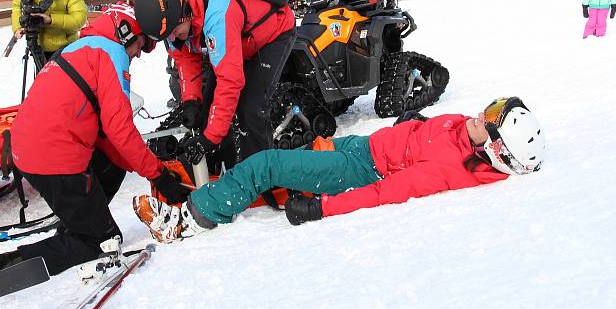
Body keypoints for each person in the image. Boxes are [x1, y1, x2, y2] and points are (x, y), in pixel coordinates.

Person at [0, 4, 185, 280]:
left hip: (31, 148)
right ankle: (2, 267)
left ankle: (82, 221)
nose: (139, 53)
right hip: (54, 156)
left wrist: (141, 164)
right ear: (128, 34)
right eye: (142, 45)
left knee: (114, 166)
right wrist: (158, 174)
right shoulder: (112, 53)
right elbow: (120, 129)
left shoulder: (79, 48)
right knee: (102, 243)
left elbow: (108, 137)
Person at [135, 97, 546, 242]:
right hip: (362, 146)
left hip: (359, 168)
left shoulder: (449, 170)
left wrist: (323, 209)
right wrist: (410, 125)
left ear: (495, 149)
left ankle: (189, 219)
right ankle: (213, 196)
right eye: (491, 105)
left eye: (489, 118)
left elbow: (389, 192)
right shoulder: (461, 131)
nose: (480, 113)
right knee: (286, 164)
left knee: (268, 163)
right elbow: (425, 137)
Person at [133, 0, 296, 170]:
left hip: (271, 35)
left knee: (250, 109)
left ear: (184, 13)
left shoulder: (218, 13)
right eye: (166, 36)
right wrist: (192, 101)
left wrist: (209, 138)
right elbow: (185, 58)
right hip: (238, 43)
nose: (172, 37)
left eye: (174, 31)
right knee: (207, 106)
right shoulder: (171, 25)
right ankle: (221, 168)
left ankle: (261, 177)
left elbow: (230, 82)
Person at [11, 0, 88, 65]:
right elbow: (16, 5)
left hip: (65, 48)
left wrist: (51, 20)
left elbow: (79, 19)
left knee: (62, 80)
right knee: (42, 80)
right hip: (38, 46)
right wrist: (18, 27)